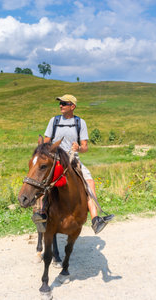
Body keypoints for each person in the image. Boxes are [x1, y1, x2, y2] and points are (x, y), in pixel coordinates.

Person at [32, 94, 114, 234]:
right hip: (55, 160)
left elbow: (85, 147)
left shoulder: (80, 123)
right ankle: (40, 214)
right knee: (40, 180)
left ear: (72, 106)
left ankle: (95, 219)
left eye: (64, 103)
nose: (61, 105)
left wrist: (79, 148)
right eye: (60, 103)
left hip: (72, 159)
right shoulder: (54, 121)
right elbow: (46, 142)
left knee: (89, 181)